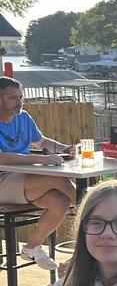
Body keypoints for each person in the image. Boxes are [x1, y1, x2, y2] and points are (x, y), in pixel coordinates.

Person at [0, 76, 76, 270]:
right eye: (13, 98)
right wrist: (40, 160)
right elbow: (1, 158)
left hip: (22, 179)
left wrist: (65, 149)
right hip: (2, 181)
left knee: (61, 202)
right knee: (56, 178)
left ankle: (32, 247)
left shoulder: (24, 117)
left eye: (21, 97)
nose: (20, 102)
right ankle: (95, 219)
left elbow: (42, 143)